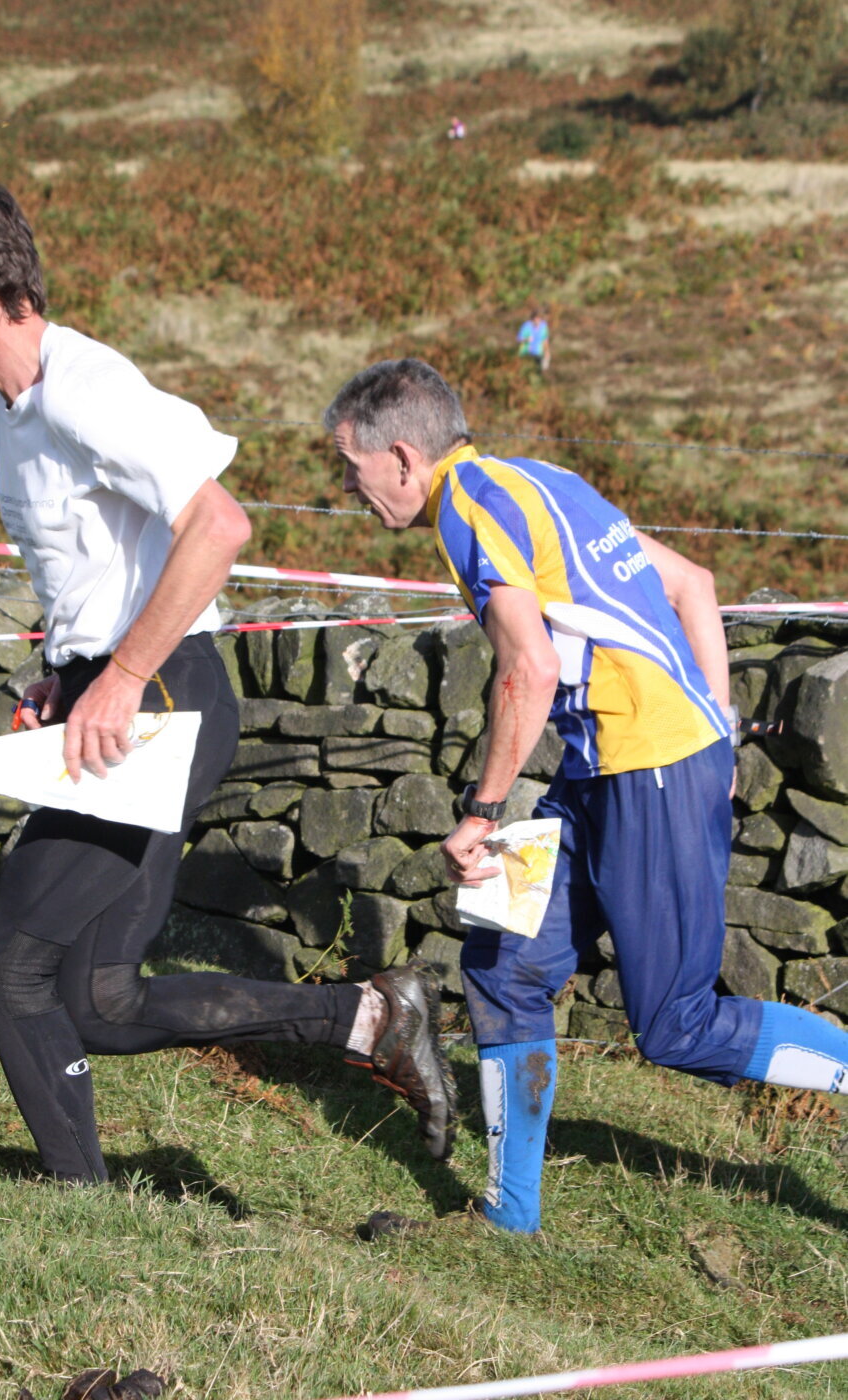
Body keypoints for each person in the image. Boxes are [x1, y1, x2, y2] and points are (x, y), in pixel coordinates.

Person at [0, 171, 457, 1183]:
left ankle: (81, 1207)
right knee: (100, 999)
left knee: (3, 963)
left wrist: (121, 674)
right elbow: (95, 563)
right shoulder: (1, 407)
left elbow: (219, 525)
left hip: (166, 692)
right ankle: (369, 1018)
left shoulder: (85, 386)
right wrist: (65, 670)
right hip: (118, 687)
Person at [324, 357, 848, 1233]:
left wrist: (483, 810)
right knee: (504, 967)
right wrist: (717, 725)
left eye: (350, 465)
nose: (347, 486)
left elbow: (528, 669)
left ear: (404, 458)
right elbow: (693, 584)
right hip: (608, 768)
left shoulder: (467, 508)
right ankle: (508, 1217)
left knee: (676, 1027)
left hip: (647, 766)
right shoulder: (541, 479)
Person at [516, 309, 549, 373]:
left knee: (538, 371)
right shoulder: (526, 326)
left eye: (539, 318)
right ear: (532, 318)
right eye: (536, 318)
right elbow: (518, 339)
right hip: (526, 353)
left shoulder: (543, 326)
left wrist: (547, 351)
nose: (537, 320)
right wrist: (526, 339)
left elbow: (545, 340)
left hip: (538, 353)